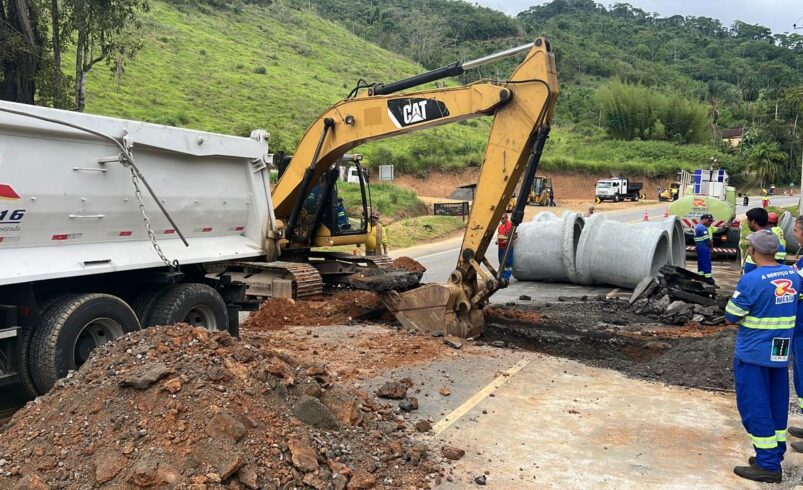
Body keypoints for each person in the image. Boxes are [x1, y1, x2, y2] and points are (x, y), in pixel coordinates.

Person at [726, 231, 800, 483]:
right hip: (780, 350)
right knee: (776, 402)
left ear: (753, 251)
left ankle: (768, 465)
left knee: (754, 406)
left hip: (753, 352)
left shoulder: (752, 280)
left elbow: (732, 315)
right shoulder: (792, 274)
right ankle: (774, 453)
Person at [744, 208, 770, 274]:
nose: (747, 222)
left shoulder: (763, 239)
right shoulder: (769, 236)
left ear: (753, 221)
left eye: (748, 220)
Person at [694, 213, 714, 281]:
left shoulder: (696, 226)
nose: (710, 222)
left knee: (701, 262)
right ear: (704, 219)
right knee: (706, 262)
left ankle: (701, 276)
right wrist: (711, 247)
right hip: (704, 247)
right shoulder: (703, 228)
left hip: (699, 246)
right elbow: (707, 240)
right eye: (709, 220)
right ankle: (708, 278)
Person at [496, 213, 515, 281]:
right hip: (501, 247)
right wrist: (497, 241)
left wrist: (507, 241)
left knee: (508, 263)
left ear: (507, 218)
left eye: (503, 218)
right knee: (501, 262)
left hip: (508, 247)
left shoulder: (510, 225)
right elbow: (499, 236)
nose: (501, 220)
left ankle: (506, 278)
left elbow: (514, 235)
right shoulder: (500, 227)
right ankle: (502, 276)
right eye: (500, 218)